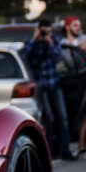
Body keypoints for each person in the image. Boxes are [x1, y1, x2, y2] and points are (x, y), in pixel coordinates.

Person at [21, 18, 75, 161]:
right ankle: (48, 151)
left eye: (48, 30)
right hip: (40, 85)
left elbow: (58, 58)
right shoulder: (32, 42)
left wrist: (49, 42)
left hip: (53, 83)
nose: (45, 33)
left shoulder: (54, 41)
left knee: (62, 117)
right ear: (39, 29)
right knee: (48, 118)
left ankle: (65, 150)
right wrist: (34, 39)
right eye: (43, 30)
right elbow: (24, 57)